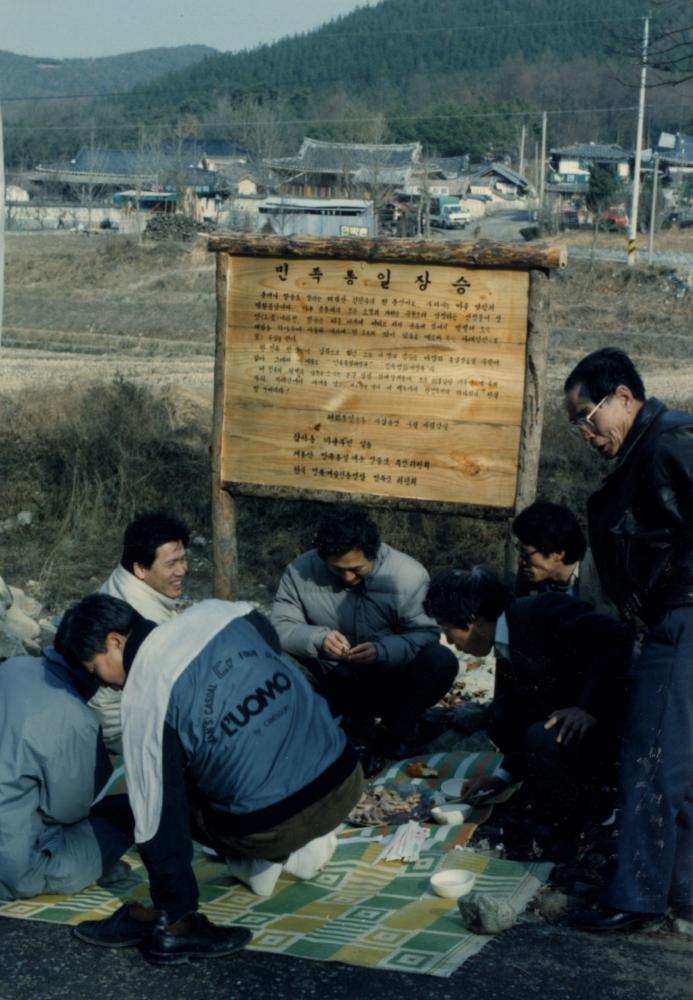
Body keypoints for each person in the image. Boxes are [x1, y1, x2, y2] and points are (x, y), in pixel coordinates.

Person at [55, 595, 363, 965]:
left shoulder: (145, 697)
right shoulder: (222, 612)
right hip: (346, 778)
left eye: (94, 668)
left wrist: (173, 909)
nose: (103, 684)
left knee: (149, 794)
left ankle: (182, 925)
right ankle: (286, 845)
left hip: (273, 826)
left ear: (115, 642)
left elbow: (157, 821)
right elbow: (268, 640)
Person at [563, 347, 693, 932]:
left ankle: (635, 898)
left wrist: (669, 588)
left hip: (684, 616)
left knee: (651, 756)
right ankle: (682, 890)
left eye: (586, 415)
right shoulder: (650, 447)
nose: (584, 432)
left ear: (623, 398)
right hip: (672, 615)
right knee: (680, 766)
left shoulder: (670, 440)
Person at [424, 566, 633, 852]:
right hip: (569, 727)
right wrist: (501, 777)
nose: (448, 641)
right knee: (499, 715)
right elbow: (514, 716)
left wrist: (590, 708)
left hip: (614, 727)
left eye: (448, 629)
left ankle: (594, 818)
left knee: (541, 736)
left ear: (473, 620)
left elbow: (616, 636)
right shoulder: (505, 643)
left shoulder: (543, 610)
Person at [270, 505, 458, 755]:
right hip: (329, 677)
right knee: (275, 658)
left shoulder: (408, 574)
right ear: (321, 556)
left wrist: (382, 651)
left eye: (356, 569)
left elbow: (425, 635)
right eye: (337, 569)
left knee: (441, 660)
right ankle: (321, 729)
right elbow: (280, 626)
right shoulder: (299, 571)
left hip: (387, 680)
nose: (348, 578)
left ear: (373, 553)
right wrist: (318, 638)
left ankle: (394, 733)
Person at [0, 647, 133, 901]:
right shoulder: (77, 719)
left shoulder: (13, 667)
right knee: (129, 811)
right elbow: (69, 810)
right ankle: (94, 868)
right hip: (15, 871)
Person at [92, 512, 190, 751]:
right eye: (171, 564)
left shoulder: (121, 578)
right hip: (122, 730)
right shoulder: (146, 622)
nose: (182, 570)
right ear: (140, 569)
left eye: (183, 559)